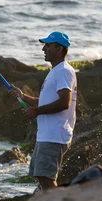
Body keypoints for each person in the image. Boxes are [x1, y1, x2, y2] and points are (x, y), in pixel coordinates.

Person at [9, 31, 77, 192]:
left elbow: (64, 102)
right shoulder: (56, 71)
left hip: (55, 135)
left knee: (47, 179)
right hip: (47, 135)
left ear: (59, 49)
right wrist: (23, 96)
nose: (44, 49)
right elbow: (48, 101)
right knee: (41, 177)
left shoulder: (63, 71)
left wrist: (37, 111)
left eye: (48, 45)